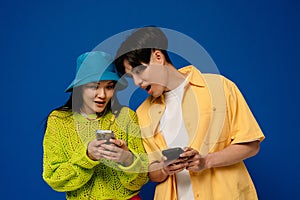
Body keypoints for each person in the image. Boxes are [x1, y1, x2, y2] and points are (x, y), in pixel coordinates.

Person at [114, 26, 265, 200]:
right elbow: (151, 173)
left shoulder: (219, 87)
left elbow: (251, 144)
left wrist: (206, 161)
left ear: (158, 57)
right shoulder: (142, 114)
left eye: (139, 71)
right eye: (131, 77)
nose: (138, 82)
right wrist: (163, 168)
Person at [42, 51, 148, 200]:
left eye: (109, 87)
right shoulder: (59, 121)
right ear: (80, 88)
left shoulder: (126, 116)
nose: (102, 95)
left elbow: (142, 179)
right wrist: (88, 156)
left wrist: (127, 159)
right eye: (94, 87)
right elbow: (53, 177)